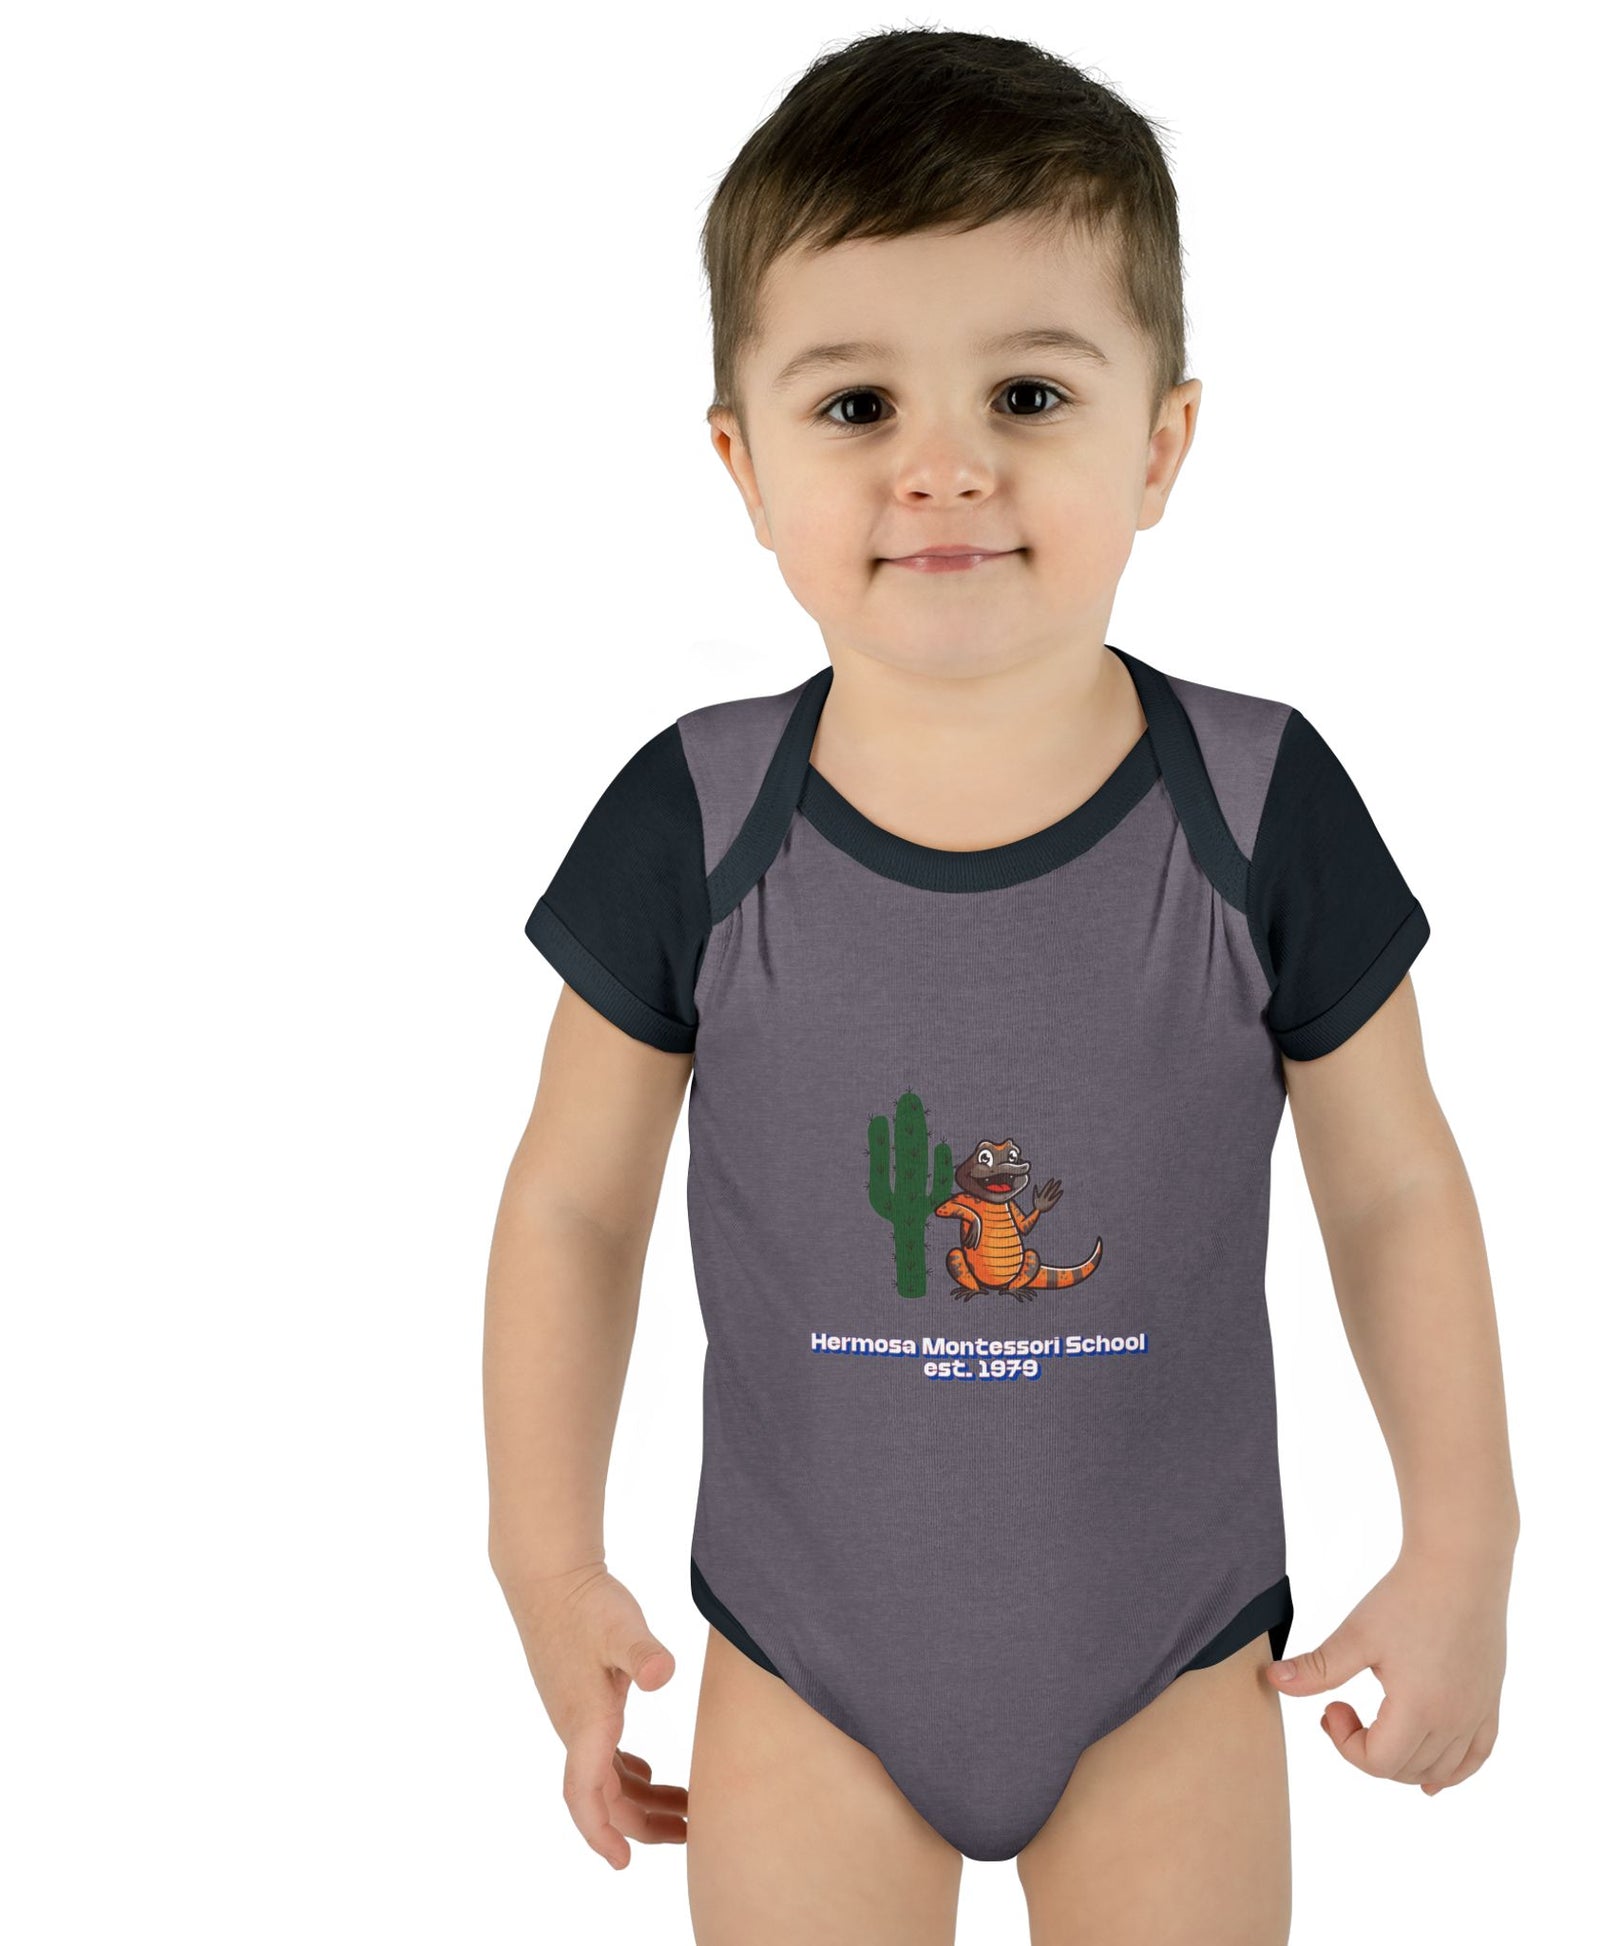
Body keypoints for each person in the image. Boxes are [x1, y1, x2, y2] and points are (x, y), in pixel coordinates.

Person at [484, 26, 1516, 1946]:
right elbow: (570, 1206)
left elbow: (1390, 1187)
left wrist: (1465, 1540)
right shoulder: (692, 816)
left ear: (1160, 444)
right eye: (856, 403)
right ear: (743, 464)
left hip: (1169, 1655)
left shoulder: (1259, 800)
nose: (943, 465)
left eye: (1027, 392)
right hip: (800, 1657)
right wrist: (545, 1565)